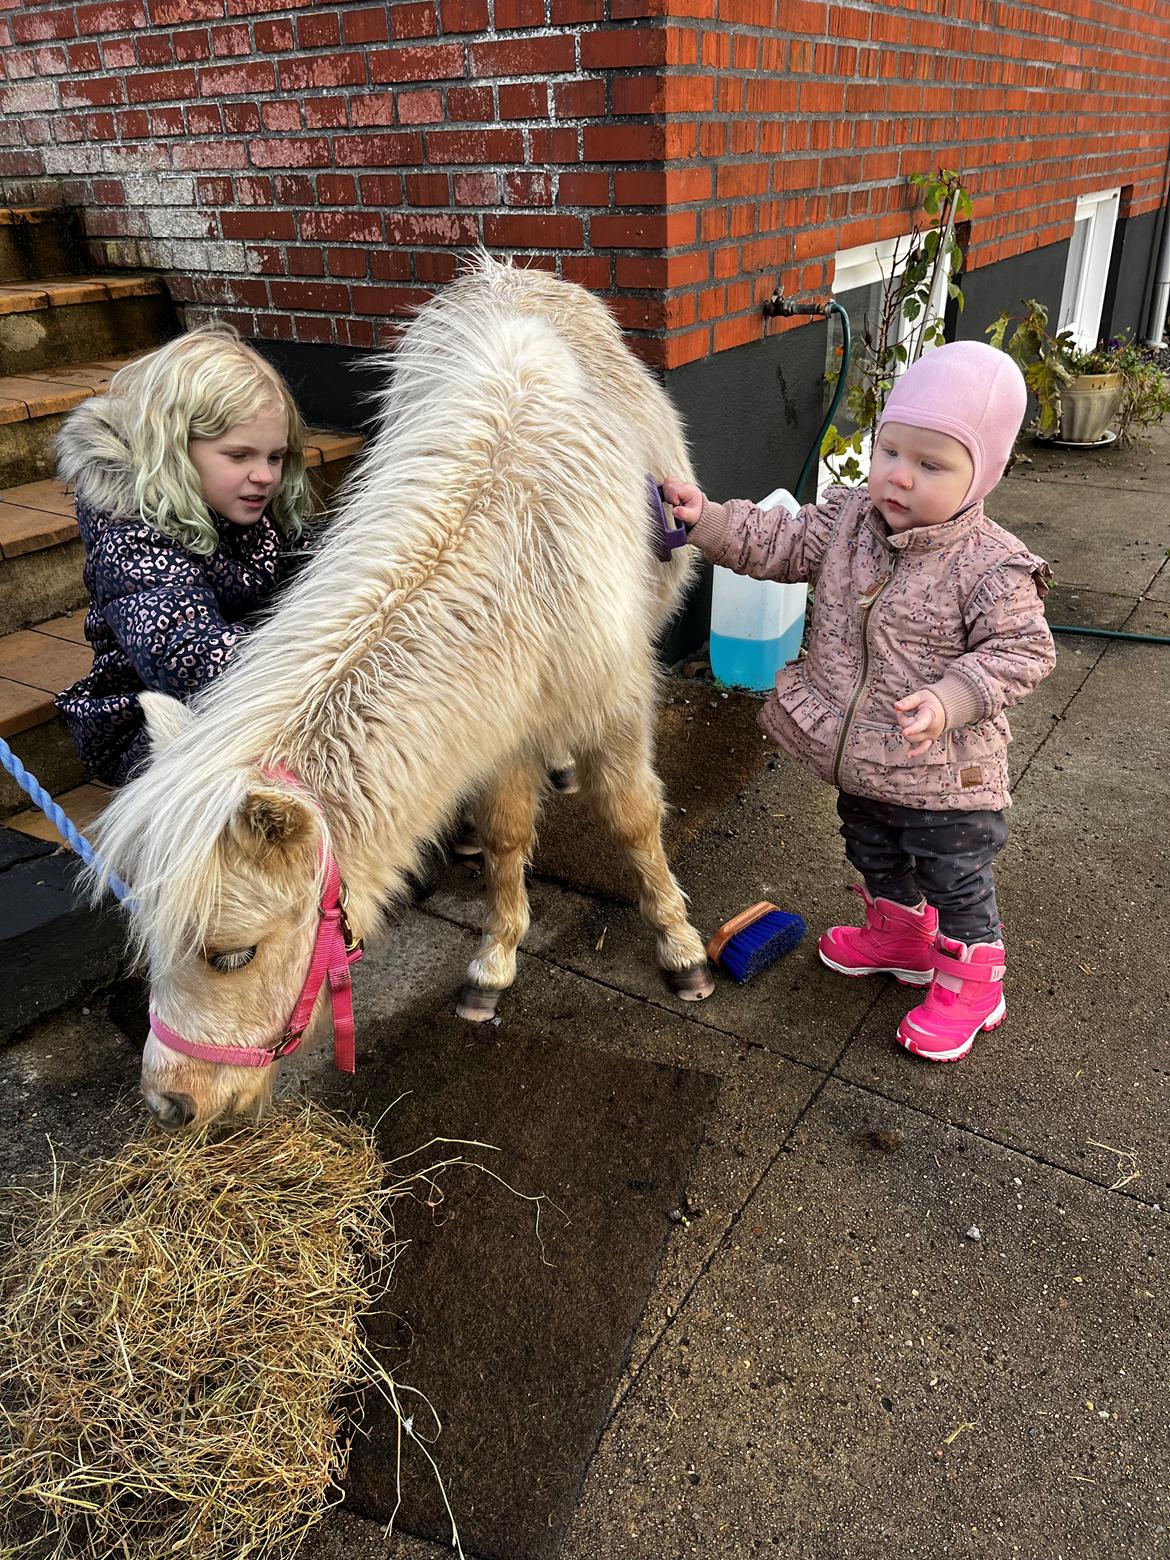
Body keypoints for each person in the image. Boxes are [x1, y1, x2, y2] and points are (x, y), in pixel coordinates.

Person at [663, 341, 1056, 1063]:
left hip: (945, 778)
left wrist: (951, 698)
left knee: (953, 877)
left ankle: (975, 981)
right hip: (866, 759)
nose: (899, 477)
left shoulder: (992, 567)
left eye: (931, 464)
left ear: (984, 475)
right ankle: (902, 936)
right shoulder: (847, 522)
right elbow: (774, 542)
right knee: (870, 840)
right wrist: (708, 519)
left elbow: (1023, 653)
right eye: (890, 451)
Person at [55, 325, 314, 786]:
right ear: (174, 450)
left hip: (255, 684)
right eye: (239, 455)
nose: (264, 476)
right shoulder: (132, 542)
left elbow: (308, 566)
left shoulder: (247, 506)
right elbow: (186, 660)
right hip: (154, 719)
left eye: (275, 457)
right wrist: (328, 650)